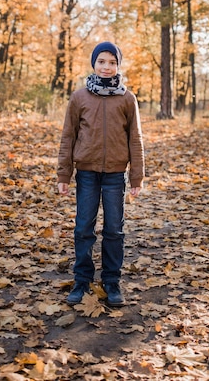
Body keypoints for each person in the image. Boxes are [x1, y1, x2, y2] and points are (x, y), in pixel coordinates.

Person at [57, 41, 145, 307]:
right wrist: (64, 175)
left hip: (115, 175)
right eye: (102, 62)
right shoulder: (79, 97)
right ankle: (82, 280)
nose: (107, 67)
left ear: (118, 65)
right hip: (86, 173)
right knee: (83, 228)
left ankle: (111, 281)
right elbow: (68, 136)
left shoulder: (127, 98)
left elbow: (135, 139)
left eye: (112, 62)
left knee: (114, 230)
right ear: (94, 64)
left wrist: (136, 178)